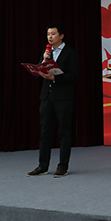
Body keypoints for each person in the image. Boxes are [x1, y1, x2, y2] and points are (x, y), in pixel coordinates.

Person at [27, 24, 79, 178]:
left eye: (53, 34)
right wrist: (43, 61)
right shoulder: (47, 53)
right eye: (48, 34)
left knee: (64, 132)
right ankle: (42, 166)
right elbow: (39, 74)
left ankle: (62, 166)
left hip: (63, 98)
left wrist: (55, 78)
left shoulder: (70, 53)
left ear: (61, 36)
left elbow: (73, 76)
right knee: (45, 132)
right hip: (46, 97)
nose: (50, 37)